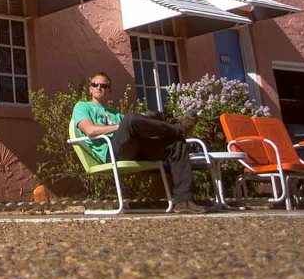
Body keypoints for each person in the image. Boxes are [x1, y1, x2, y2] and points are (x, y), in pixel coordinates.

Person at [71, 71, 206, 213]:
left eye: (103, 85)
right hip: (111, 153)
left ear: (109, 90)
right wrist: (119, 126)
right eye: (95, 84)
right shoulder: (82, 106)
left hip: (134, 149)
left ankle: (184, 201)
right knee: (130, 120)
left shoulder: (116, 114)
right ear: (90, 89)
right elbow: (90, 130)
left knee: (176, 144)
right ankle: (177, 127)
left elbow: (136, 127)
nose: (99, 87)